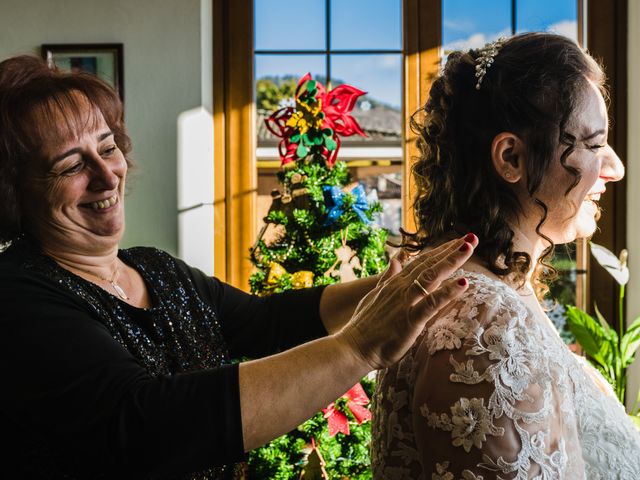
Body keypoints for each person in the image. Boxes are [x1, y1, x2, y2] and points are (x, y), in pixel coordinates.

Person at [0, 55, 477, 479]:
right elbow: (145, 426)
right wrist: (360, 347)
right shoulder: (17, 295)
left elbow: (266, 323)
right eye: (70, 165)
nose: (106, 175)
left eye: (107, 148)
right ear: (15, 192)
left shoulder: (156, 270)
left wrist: (408, 280)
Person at [371, 32, 640, 479]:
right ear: (511, 156)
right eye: (593, 145)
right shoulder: (484, 330)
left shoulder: (496, 297)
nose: (614, 168)